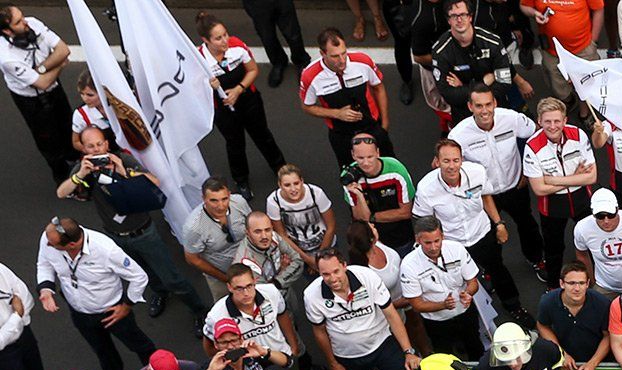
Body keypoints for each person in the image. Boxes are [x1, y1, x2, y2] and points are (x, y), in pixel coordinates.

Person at [55, 135, 203, 322]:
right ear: (83, 149)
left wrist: (123, 171)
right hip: (115, 236)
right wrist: (81, 174)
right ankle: (160, 292)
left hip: (143, 231)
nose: (96, 149)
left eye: (99, 144)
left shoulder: (123, 159)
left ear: (107, 144)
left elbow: (154, 181)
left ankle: (199, 310)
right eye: (90, 146)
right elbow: (61, 193)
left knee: (171, 276)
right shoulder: (84, 169)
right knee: (144, 271)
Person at [36, 219, 156, 370]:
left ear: (72, 244)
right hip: (79, 312)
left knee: (140, 346)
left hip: (112, 311)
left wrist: (126, 305)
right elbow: (44, 264)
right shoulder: (49, 239)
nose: (47, 244)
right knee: (103, 352)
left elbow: (138, 277)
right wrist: (45, 289)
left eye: (52, 244)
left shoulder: (106, 250)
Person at [413, 139, 526, 320]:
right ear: (437, 162)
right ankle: (473, 318)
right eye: (446, 161)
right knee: (458, 282)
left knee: (498, 270)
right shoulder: (426, 188)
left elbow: (486, 196)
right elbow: (425, 221)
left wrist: (499, 224)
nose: (451, 166)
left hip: (481, 233)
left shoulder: (477, 172)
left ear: (462, 159)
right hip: (452, 243)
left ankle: (515, 307)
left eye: (455, 160)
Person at [448, 86, 543, 274]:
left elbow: (537, 135)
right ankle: (492, 271)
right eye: (479, 105)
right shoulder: (458, 135)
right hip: (485, 195)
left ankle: (537, 260)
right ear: (470, 107)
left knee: (528, 225)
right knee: (489, 235)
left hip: (516, 186)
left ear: (495, 103)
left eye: (488, 104)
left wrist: (528, 170)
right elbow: (455, 164)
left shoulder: (511, 118)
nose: (484, 111)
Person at [305, 248, 420, 370]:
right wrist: (333, 363)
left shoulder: (367, 277)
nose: (332, 279)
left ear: (344, 266)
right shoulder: (311, 295)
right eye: (326, 274)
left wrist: (408, 351)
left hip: (382, 343)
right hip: (347, 354)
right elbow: (319, 331)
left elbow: (391, 314)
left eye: (336, 271)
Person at [199, 14, 287, 197]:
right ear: (205, 40)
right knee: (235, 143)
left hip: (248, 99)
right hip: (222, 109)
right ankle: (241, 180)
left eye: (225, 34)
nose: (225, 40)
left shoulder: (237, 45)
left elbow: (253, 70)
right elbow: (193, 91)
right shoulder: (198, 59)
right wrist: (208, 86)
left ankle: (280, 168)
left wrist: (238, 90)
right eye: (218, 38)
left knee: (262, 134)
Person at [524, 98, 599, 290]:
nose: (553, 126)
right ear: (539, 121)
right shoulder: (532, 146)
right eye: (547, 121)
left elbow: (591, 178)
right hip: (552, 205)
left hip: (582, 199)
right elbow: (539, 189)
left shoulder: (579, 135)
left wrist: (554, 180)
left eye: (557, 121)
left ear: (565, 120)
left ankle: (595, 280)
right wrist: (575, 177)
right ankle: (553, 287)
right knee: (554, 250)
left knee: (591, 242)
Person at [299, 29, 392, 167]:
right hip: (341, 134)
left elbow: (378, 88)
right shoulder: (310, 76)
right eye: (335, 56)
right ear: (322, 53)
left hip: (372, 126)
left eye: (344, 53)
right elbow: (307, 106)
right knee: (351, 175)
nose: (342, 60)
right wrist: (337, 114)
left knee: (388, 165)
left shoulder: (363, 61)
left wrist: (384, 124)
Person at [0, 6, 73, 182]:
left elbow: (64, 50)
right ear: (6, 31)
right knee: (48, 141)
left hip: (55, 88)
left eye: (22, 16)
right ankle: (62, 178)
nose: (25, 22)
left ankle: (74, 156)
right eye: (18, 22)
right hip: (31, 101)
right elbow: (42, 82)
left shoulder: (33, 23)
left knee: (67, 124)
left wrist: (41, 68)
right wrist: (60, 65)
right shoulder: (6, 57)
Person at [427, 0, 527, 124]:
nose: (459, 20)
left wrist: (464, 89)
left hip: (496, 110)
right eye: (454, 16)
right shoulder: (440, 51)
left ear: (470, 17)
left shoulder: (493, 42)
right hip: (464, 115)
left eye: (463, 15)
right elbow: (448, 94)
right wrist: (484, 83)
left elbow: (504, 83)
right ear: (448, 20)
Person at [400, 216, 485, 361]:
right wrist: (442, 305)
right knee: (444, 357)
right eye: (427, 242)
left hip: (465, 312)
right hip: (437, 322)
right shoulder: (408, 265)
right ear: (417, 239)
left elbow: (473, 282)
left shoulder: (457, 249)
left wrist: (468, 293)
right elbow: (416, 304)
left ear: (442, 236)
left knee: (475, 348)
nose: (433, 247)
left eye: (436, 241)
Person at [538, 262, 614, 370]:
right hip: (565, 363)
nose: (577, 288)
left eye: (581, 283)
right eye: (572, 283)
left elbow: (608, 335)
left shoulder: (602, 303)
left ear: (588, 284)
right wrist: (561, 354)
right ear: (562, 283)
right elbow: (542, 325)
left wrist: (593, 363)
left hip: (599, 362)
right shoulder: (547, 302)